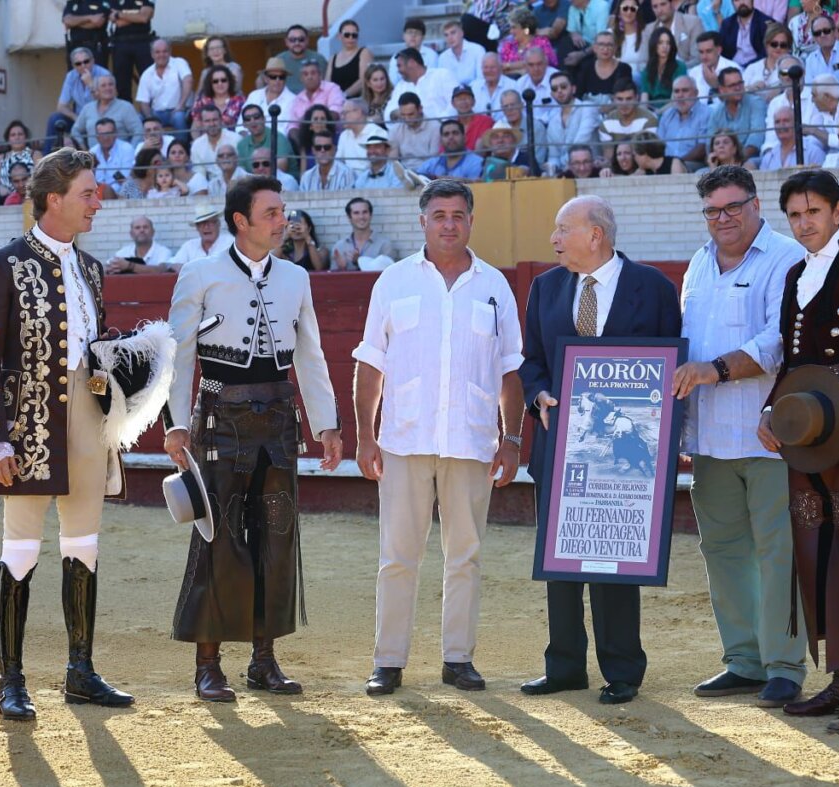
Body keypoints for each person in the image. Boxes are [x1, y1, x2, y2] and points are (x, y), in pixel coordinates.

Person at [0, 148, 134, 719]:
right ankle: (10, 680)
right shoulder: (2, 264)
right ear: (53, 199)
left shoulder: (91, 268)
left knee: (83, 544)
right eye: (87, 193)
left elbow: (95, 347)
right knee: (19, 547)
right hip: (28, 424)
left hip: (88, 419)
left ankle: (79, 671)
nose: (97, 202)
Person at [164, 175, 341, 702]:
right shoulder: (200, 273)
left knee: (276, 537)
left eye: (282, 211)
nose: (281, 220)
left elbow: (310, 354)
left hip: (279, 420)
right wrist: (175, 424)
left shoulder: (295, 278)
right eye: (270, 213)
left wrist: (326, 423)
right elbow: (179, 357)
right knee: (218, 537)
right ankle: (208, 665)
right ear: (240, 221)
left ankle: (264, 662)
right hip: (221, 417)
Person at [353, 179, 523, 697]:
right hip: (405, 437)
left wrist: (510, 438)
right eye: (439, 214)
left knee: (465, 554)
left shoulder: (494, 285)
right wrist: (366, 435)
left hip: (471, 440)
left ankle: (457, 657)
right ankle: (389, 660)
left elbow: (510, 370)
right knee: (398, 555)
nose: (449, 223)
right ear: (421, 221)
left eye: (458, 215)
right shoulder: (393, 281)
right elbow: (370, 364)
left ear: (471, 221)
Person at [517, 195, 680, 705]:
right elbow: (532, 361)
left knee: (616, 553)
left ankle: (623, 668)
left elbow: (670, 359)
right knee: (560, 557)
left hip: (625, 448)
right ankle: (564, 666)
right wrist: (539, 393)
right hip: (561, 441)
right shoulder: (545, 286)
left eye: (563, 229)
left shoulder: (651, 287)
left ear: (596, 235)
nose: (554, 239)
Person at [669, 165, 808, 709]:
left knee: (779, 551)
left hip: (768, 432)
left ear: (755, 205)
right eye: (712, 210)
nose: (722, 218)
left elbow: (778, 341)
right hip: (709, 437)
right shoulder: (698, 265)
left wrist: (715, 370)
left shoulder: (784, 257)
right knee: (723, 549)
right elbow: (683, 345)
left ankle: (784, 665)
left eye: (733, 207)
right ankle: (744, 659)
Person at [756, 170, 839, 730]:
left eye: (814, 212)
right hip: (808, 431)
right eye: (796, 215)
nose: (805, 224)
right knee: (817, 544)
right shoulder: (796, 273)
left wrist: (838, 400)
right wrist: (772, 410)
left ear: (838, 211)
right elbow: (790, 359)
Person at [539, 72, 599, 175]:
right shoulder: (553, 120)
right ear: (552, 94)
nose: (559, 91)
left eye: (563, 87)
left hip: (590, 170)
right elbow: (554, 156)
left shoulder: (588, 108)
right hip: (566, 173)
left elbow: (580, 143)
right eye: (554, 89)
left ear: (573, 89)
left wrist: (560, 163)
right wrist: (552, 166)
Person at [134, 38, 192, 136]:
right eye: (157, 52)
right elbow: (143, 102)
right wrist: (150, 117)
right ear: (152, 54)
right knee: (138, 119)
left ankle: (182, 148)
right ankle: (143, 149)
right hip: (156, 113)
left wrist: (181, 105)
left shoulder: (179, 63)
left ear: (170, 52)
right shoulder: (147, 73)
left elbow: (188, 81)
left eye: (165, 51)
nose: (161, 55)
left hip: (176, 110)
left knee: (179, 117)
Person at [71, 73, 142, 148]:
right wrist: (83, 149)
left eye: (111, 84)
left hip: (119, 157)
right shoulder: (87, 108)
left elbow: (139, 132)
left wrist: (131, 152)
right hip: (93, 157)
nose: (108, 88)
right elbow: (75, 131)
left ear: (115, 88)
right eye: (103, 85)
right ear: (97, 90)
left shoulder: (126, 107)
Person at [709, 67, 765, 161]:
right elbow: (709, 142)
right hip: (723, 161)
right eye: (732, 85)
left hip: (750, 159)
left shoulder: (756, 103)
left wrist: (736, 160)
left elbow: (756, 138)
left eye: (740, 83)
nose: (738, 88)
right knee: (701, 173)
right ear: (722, 90)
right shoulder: (717, 112)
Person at [388, 48, 456, 124]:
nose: (398, 70)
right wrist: (399, 113)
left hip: (443, 129)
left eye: (399, 66)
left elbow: (455, 104)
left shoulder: (442, 75)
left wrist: (439, 124)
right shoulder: (401, 86)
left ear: (412, 63)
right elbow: (389, 113)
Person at [330, 196, 394, 271]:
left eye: (365, 212)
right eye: (356, 213)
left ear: (371, 215)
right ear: (349, 217)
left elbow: (388, 275)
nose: (361, 217)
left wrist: (359, 261)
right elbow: (332, 279)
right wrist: (342, 269)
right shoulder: (339, 247)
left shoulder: (384, 245)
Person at [108, 0, 153, 102]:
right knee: (122, 85)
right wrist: (136, 16)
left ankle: (152, 115)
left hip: (143, 42)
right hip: (121, 43)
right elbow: (117, 22)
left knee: (150, 81)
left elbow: (144, 17)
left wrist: (119, 14)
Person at [167, 205, 233, 272]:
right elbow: (173, 264)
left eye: (211, 222)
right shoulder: (189, 246)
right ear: (197, 228)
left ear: (218, 224)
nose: (206, 227)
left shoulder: (230, 242)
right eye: (202, 223)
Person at [758, 105, 825, 169]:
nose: (781, 125)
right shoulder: (768, 157)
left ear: (796, 123)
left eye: (786, 121)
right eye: (777, 122)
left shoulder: (813, 153)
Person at [389, 92, 440, 172]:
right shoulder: (395, 129)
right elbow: (393, 161)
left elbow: (434, 161)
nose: (407, 118)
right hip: (404, 173)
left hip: (428, 173)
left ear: (420, 109)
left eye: (411, 114)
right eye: (403, 115)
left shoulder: (435, 127)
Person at [420, 118, 485, 180]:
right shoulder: (430, 164)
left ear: (464, 138)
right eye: (446, 134)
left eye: (455, 133)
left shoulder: (477, 163)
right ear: (441, 141)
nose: (451, 137)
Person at [643, 0, 704, 66]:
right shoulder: (649, 30)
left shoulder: (692, 23)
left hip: (687, 71)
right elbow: (648, 60)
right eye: (655, 6)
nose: (659, 10)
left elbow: (697, 58)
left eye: (663, 4)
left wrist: (677, 70)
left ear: (672, 4)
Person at [107, 214, 172, 274]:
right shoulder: (123, 252)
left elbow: (161, 270)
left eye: (145, 227)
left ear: (153, 232)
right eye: (137, 228)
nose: (142, 230)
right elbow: (106, 268)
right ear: (131, 234)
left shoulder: (163, 252)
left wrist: (129, 266)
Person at [719, 0, 775, 67]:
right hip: (731, 69)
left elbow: (766, 52)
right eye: (737, 0)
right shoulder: (727, 23)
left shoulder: (765, 23)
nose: (742, 2)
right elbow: (722, 51)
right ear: (733, 3)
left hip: (757, 67)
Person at [639, 27, 687, 103]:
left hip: (672, 109)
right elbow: (644, 100)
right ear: (654, 45)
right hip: (652, 111)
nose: (664, 46)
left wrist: (660, 113)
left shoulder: (680, 67)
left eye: (668, 43)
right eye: (660, 42)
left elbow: (675, 100)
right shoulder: (647, 70)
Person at [327, 18, 373, 98]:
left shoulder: (364, 53)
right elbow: (327, 83)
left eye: (354, 35)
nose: (350, 38)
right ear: (339, 36)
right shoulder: (333, 58)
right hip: (335, 101)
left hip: (357, 100)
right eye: (347, 35)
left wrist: (344, 95)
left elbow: (364, 79)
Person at [274, 24, 324, 94]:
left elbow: (326, 83)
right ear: (286, 42)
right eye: (292, 40)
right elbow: (263, 79)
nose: (297, 43)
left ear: (307, 40)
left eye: (301, 39)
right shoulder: (278, 60)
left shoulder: (319, 59)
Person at [692, 31, 742, 102]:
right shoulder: (693, 73)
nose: (704, 57)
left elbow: (737, 102)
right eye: (701, 52)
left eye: (708, 51)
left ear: (719, 50)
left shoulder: (734, 69)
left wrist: (716, 86)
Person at [61, 0, 109, 68]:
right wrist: (90, 18)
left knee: (97, 76)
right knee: (76, 76)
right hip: (75, 47)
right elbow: (67, 21)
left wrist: (74, 23)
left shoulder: (101, 2)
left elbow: (98, 22)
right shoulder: (73, 2)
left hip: (95, 47)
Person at [439, 19, 486, 86]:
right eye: (446, 35)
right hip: (452, 94)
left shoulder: (477, 50)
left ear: (461, 33)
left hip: (476, 92)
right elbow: (442, 83)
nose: (450, 38)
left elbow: (482, 79)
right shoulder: (442, 58)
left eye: (453, 33)